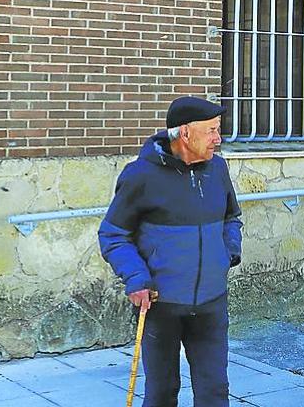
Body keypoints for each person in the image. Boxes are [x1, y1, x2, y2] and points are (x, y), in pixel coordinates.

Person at [98, 96, 243, 407]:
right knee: (162, 393)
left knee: (214, 392)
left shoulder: (218, 169)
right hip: (160, 305)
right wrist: (136, 277)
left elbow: (232, 217)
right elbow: (113, 234)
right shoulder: (140, 175)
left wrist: (228, 252)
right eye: (212, 131)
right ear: (185, 134)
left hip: (211, 303)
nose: (218, 139)